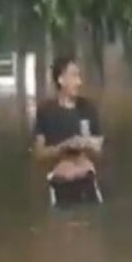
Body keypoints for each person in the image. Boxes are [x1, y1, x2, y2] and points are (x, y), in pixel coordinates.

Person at [33, 54, 104, 207]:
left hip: (87, 181)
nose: (79, 82)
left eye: (79, 77)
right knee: (62, 228)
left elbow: (99, 150)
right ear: (61, 79)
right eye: (74, 76)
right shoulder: (46, 111)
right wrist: (64, 147)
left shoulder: (88, 108)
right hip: (60, 183)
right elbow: (39, 154)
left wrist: (86, 144)